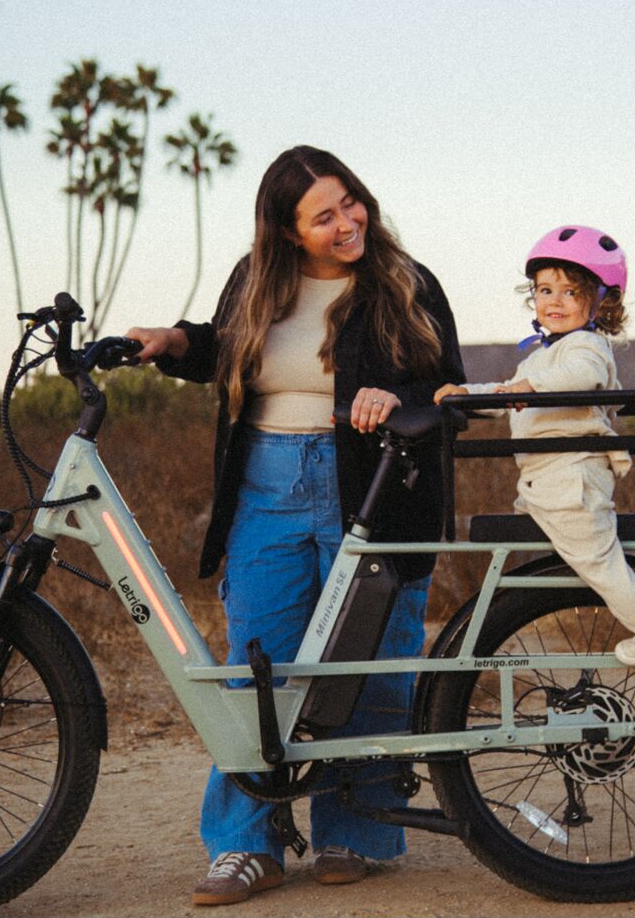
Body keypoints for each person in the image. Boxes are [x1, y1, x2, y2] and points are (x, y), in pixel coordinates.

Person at [126, 145, 464, 906]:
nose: (348, 223)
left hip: (378, 483)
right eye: (324, 216)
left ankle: (358, 829)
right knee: (261, 667)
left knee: (368, 664)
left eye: (352, 203)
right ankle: (249, 845)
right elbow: (222, 347)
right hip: (267, 484)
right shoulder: (255, 282)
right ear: (285, 232)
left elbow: (449, 389)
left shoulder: (406, 283)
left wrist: (394, 398)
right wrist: (173, 341)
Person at [433, 225, 635, 668]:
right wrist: (467, 395)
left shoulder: (586, 347)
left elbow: (581, 377)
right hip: (549, 482)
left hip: (571, 480)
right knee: (570, 560)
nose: (554, 301)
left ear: (601, 302)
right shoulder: (545, 354)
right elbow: (508, 393)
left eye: (570, 292)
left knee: (599, 563)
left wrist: (532, 386)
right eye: (544, 290)